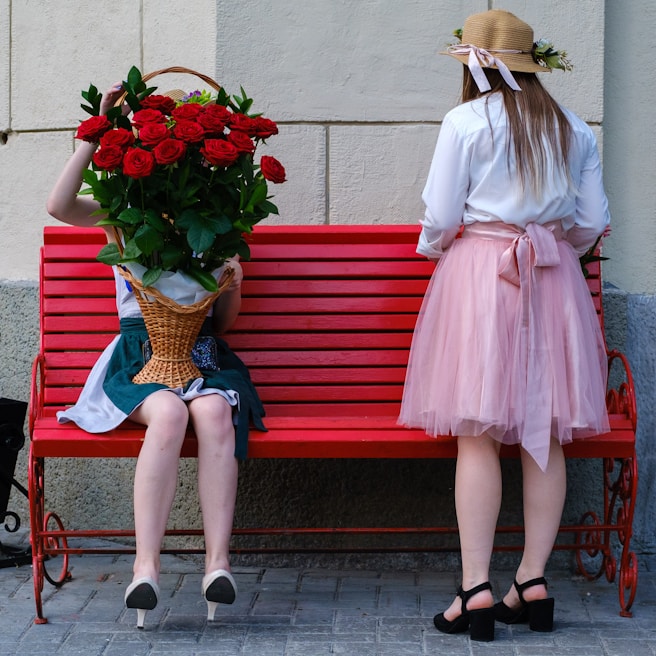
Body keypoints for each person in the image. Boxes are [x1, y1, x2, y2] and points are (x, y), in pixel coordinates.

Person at [398, 9, 610, 642]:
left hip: (482, 276)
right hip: (550, 275)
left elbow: (438, 216)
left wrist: (443, 247)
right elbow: (592, 221)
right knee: (546, 431)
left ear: (475, 64)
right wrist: (549, 241)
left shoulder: (465, 121)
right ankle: (534, 580)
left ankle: (476, 590)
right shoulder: (573, 127)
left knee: (477, 433)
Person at [46, 82, 266, 629]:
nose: (178, 173)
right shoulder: (125, 216)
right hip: (138, 358)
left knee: (214, 412)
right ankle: (145, 568)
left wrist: (232, 284)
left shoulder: (214, 224)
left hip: (204, 355)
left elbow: (224, 323)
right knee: (166, 413)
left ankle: (219, 564)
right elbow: (59, 205)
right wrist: (95, 134)